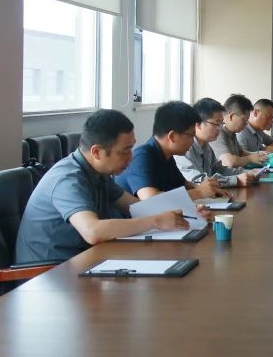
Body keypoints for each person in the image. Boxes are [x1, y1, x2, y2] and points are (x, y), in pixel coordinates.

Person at [15, 110, 210, 263]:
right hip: (50, 274)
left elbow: (136, 206)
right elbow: (93, 231)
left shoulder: (98, 173)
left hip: (84, 260)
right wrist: (156, 221)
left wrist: (186, 213)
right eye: (124, 152)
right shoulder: (68, 180)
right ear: (97, 152)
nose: (131, 158)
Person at [116, 101, 226, 201]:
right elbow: (150, 199)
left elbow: (183, 184)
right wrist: (199, 192)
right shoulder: (142, 156)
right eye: (191, 135)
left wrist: (210, 190)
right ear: (172, 136)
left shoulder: (167, 156)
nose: (193, 141)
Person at [175, 98, 261, 188]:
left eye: (221, 124)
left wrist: (247, 173)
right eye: (216, 124)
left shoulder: (206, 147)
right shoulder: (183, 149)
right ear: (198, 124)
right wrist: (236, 180)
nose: (219, 129)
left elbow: (219, 170)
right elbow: (198, 181)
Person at [211, 94, 269, 169]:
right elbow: (229, 162)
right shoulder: (217, 133)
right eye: (244, 120)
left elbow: (240, 153)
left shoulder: (231, 133)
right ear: (232, 116)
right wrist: (250, 158)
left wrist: (256, 154)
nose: (246, 124)